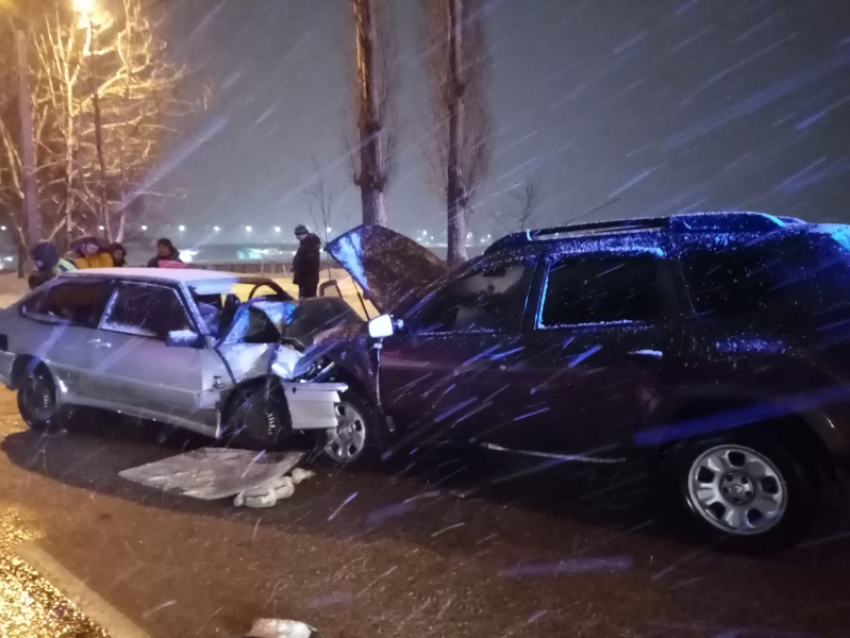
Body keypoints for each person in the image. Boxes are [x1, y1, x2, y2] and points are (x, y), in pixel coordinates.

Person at [292, 224, 321, 299]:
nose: (297, 237)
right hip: (305, 279)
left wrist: (298, 267)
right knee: (308, 300)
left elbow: (310, 263)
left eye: (298, 235)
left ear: (303, 234)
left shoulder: (310, 245)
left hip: (307, 280)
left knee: (307, 300)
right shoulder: (307, 244)